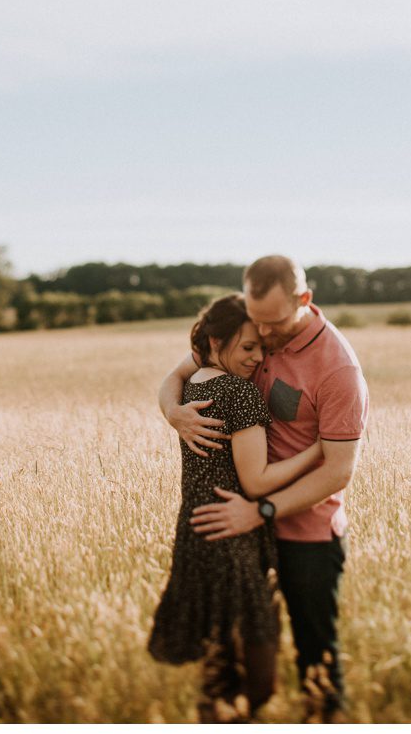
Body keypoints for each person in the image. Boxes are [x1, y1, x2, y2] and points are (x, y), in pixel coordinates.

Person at [158, 255, 368, 723]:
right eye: (257, 322)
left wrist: (262, 510)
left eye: (273, 323)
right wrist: (174, 413)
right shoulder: (249, 331)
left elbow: (338, 471)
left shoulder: (338, 369)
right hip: (244, 532)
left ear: (304, 300)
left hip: (307, 535)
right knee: (234, 657)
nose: (264, 336)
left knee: (316, 659)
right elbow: (177, 376)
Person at [147, 295, 324, 722]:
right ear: (215, 342)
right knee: (258, 677)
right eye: (247, 347)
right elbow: (256, 482)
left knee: (219, 672)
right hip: (232, 539)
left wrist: (171, 410)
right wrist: (319, 450)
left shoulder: (195, 384)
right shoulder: (239, 392)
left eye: (260, 347)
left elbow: (175, 375)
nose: (257, 358)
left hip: (196, 536)